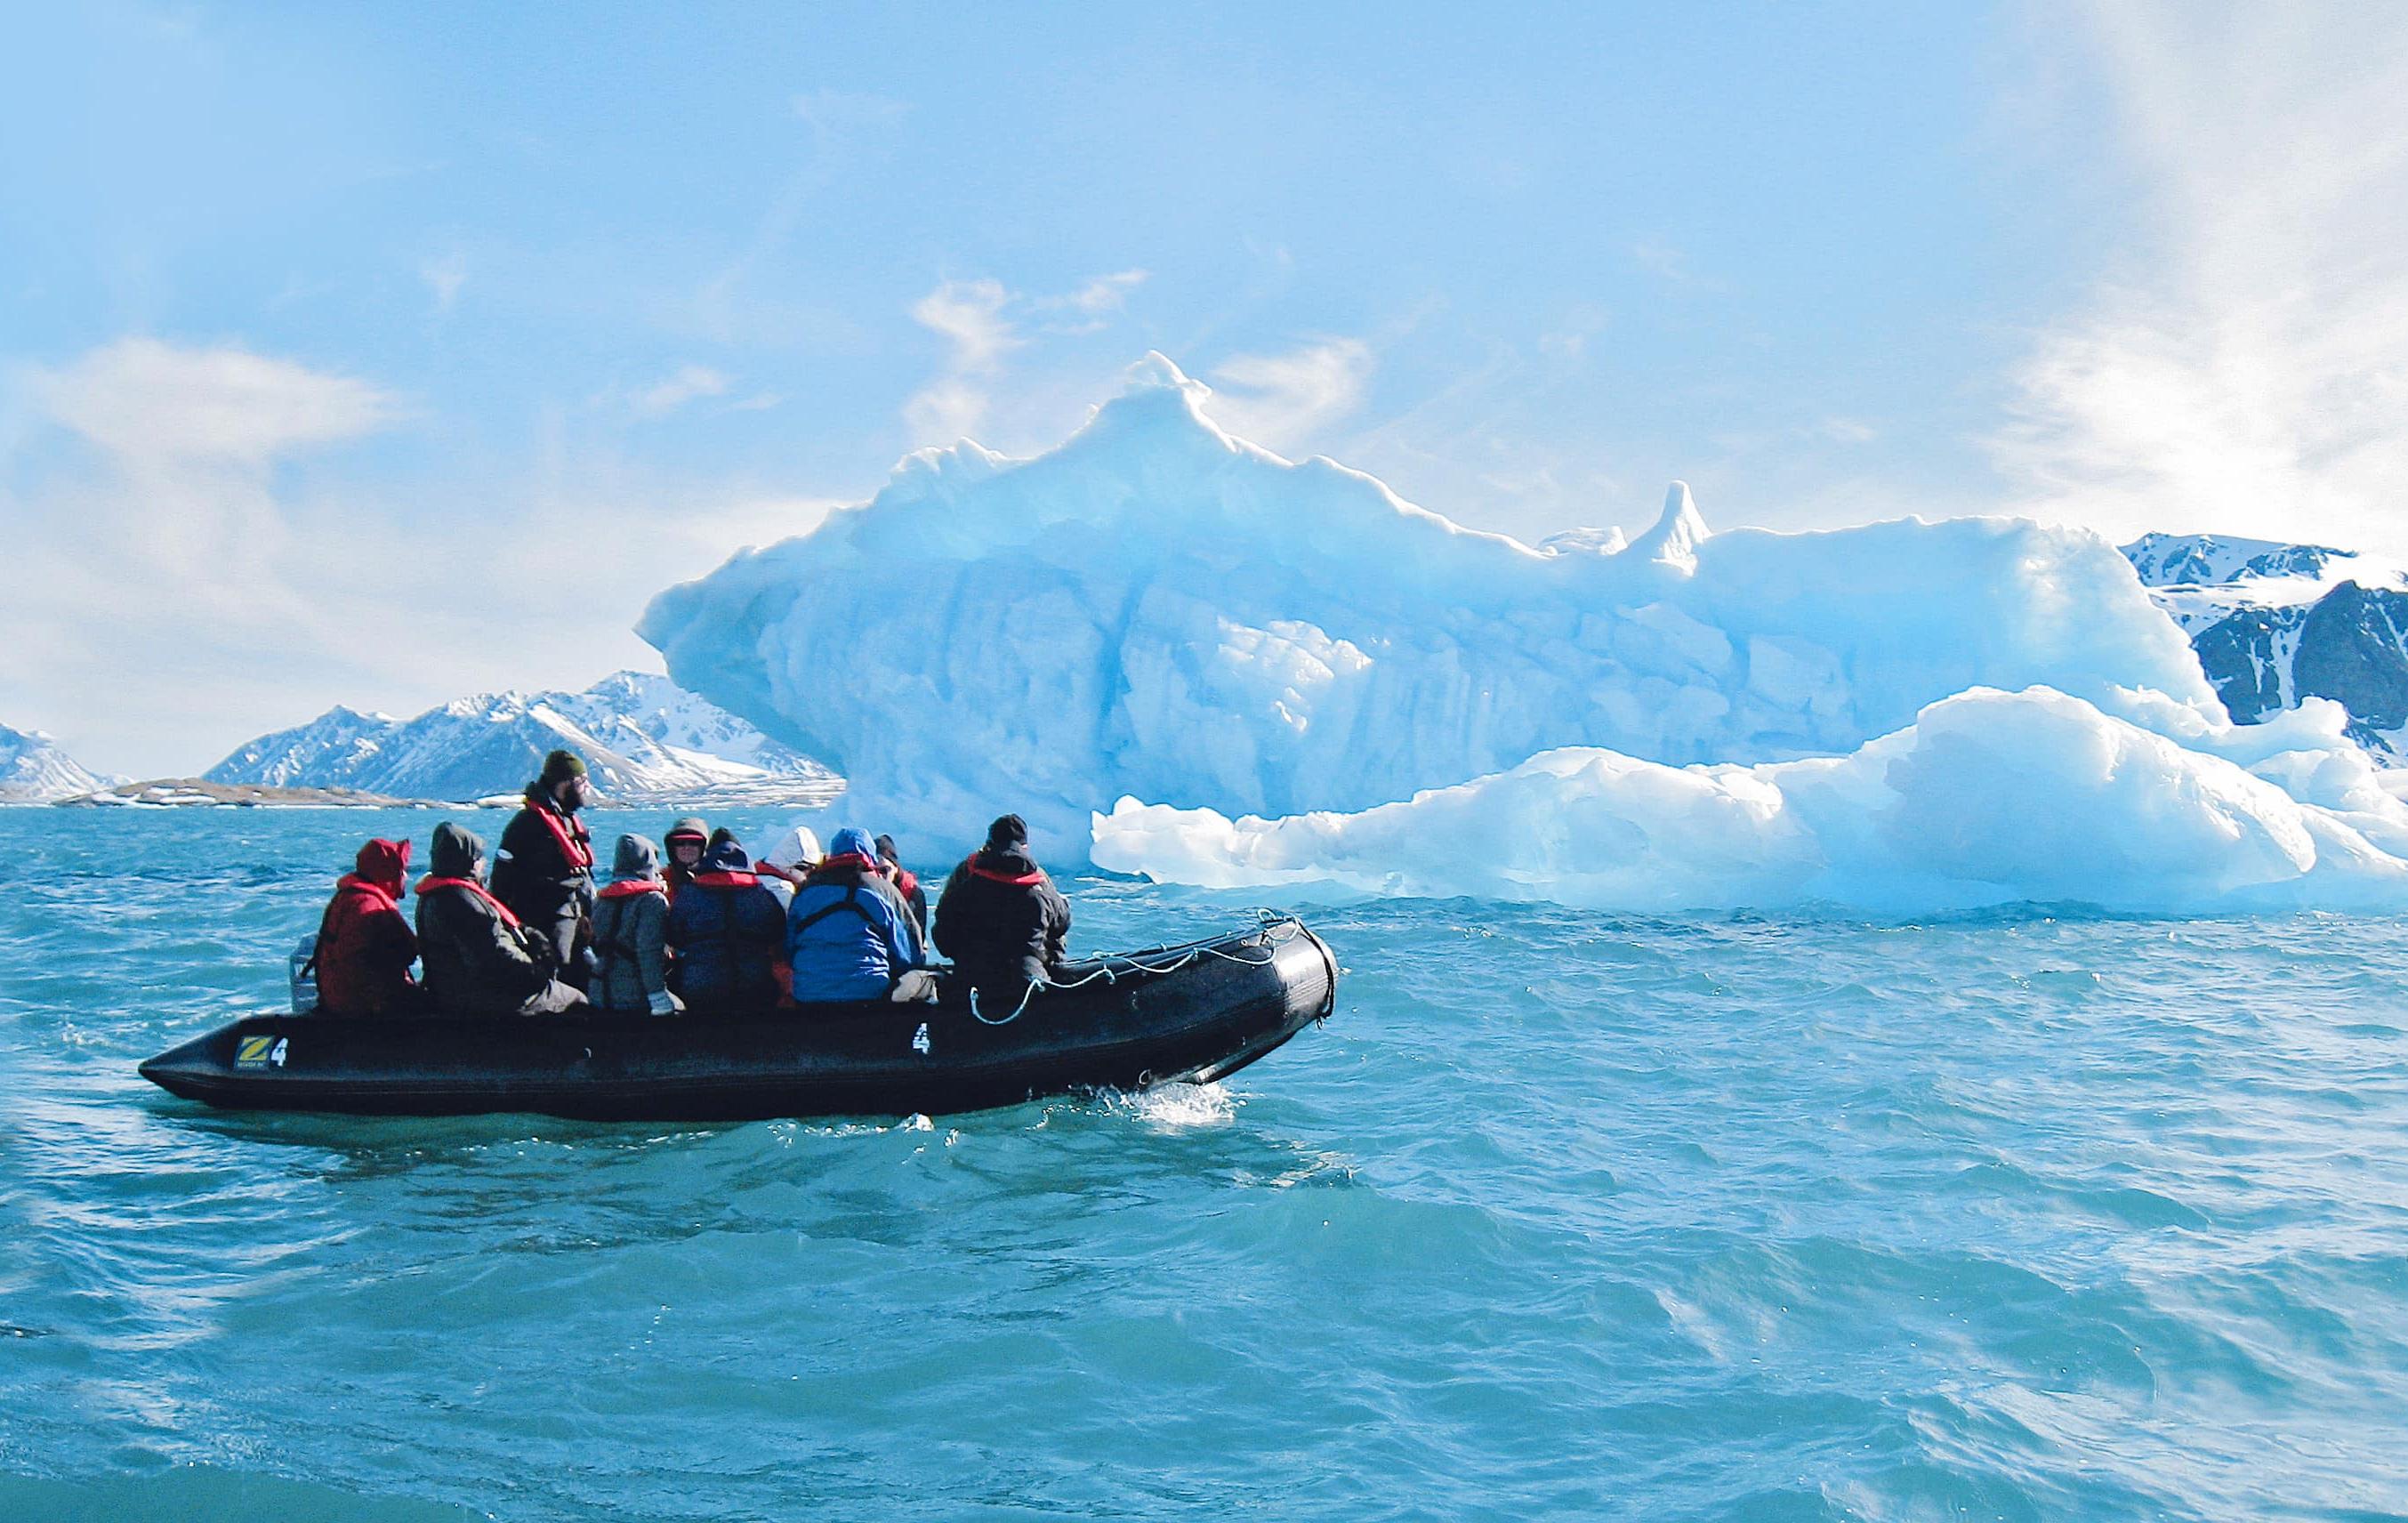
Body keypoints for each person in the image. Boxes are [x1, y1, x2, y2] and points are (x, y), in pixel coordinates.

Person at [415, 822, 584, 1016]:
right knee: (576, 999)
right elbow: (494, 957)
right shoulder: (462, 901)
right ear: (469, 862)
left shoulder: (435, 894)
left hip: (453, 990)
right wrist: (537, 974)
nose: (484, 863)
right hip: (482, 998)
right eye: (479, 858)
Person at [934, 814, 1072, 1002]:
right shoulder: (1039, 880)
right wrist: (1052, 962)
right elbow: (1062, 922)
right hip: (1027, 978)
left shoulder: (966, 878)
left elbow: (943, 934)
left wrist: (962, 956)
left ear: (989, 844)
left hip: (972, 977)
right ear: (1025, 846)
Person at [491, 748, 597, 986]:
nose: (587, 787)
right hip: (547, 921)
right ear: (565, 783)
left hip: (574, 916)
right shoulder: (527, 824)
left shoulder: (567, 820)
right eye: (582, 781)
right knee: (558, 976)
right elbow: (501, 880)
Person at [785, 827, 922, 1003]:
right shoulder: (884, 891)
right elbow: (909, 955)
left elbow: (789, 947)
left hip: (809, 995)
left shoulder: (806, 892)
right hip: (869, 994)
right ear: (870, 855)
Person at [664, 832, 787, 1011]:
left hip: (702, 984)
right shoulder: (761, 894)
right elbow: (777, 933)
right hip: (755, 982)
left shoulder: (690, 894)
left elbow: (674, 936)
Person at [313, 837, 419, 1017]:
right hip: (359, 1005)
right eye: (402, 870)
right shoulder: (368, 906)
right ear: (388, 872)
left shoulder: (350, 897)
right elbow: (354, 962)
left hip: (339, 997)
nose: (406, 876)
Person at [591, 834, 679, 1016]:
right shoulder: (651, 900)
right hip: (633, 995)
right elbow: (648, 952)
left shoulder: (601, 900)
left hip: (598, 992)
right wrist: (657, 997)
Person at [753, 822, 824, 907]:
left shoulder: (759, 876)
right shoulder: (782, 890)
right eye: (806, 868)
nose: (810, 874)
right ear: (789, 868)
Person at [874, 833, 930, 934]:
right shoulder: (868, 887)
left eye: (884, 870)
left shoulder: (914, 892)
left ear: (895, 867)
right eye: (875, 871)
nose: (880, 876)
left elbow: (918, 933)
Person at [663, 817, 710, 904]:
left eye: (694, 842)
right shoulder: (661, 880)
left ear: (704, 847)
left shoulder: (717, 880)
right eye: (680, 843)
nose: (687, 848)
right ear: (672, 848)